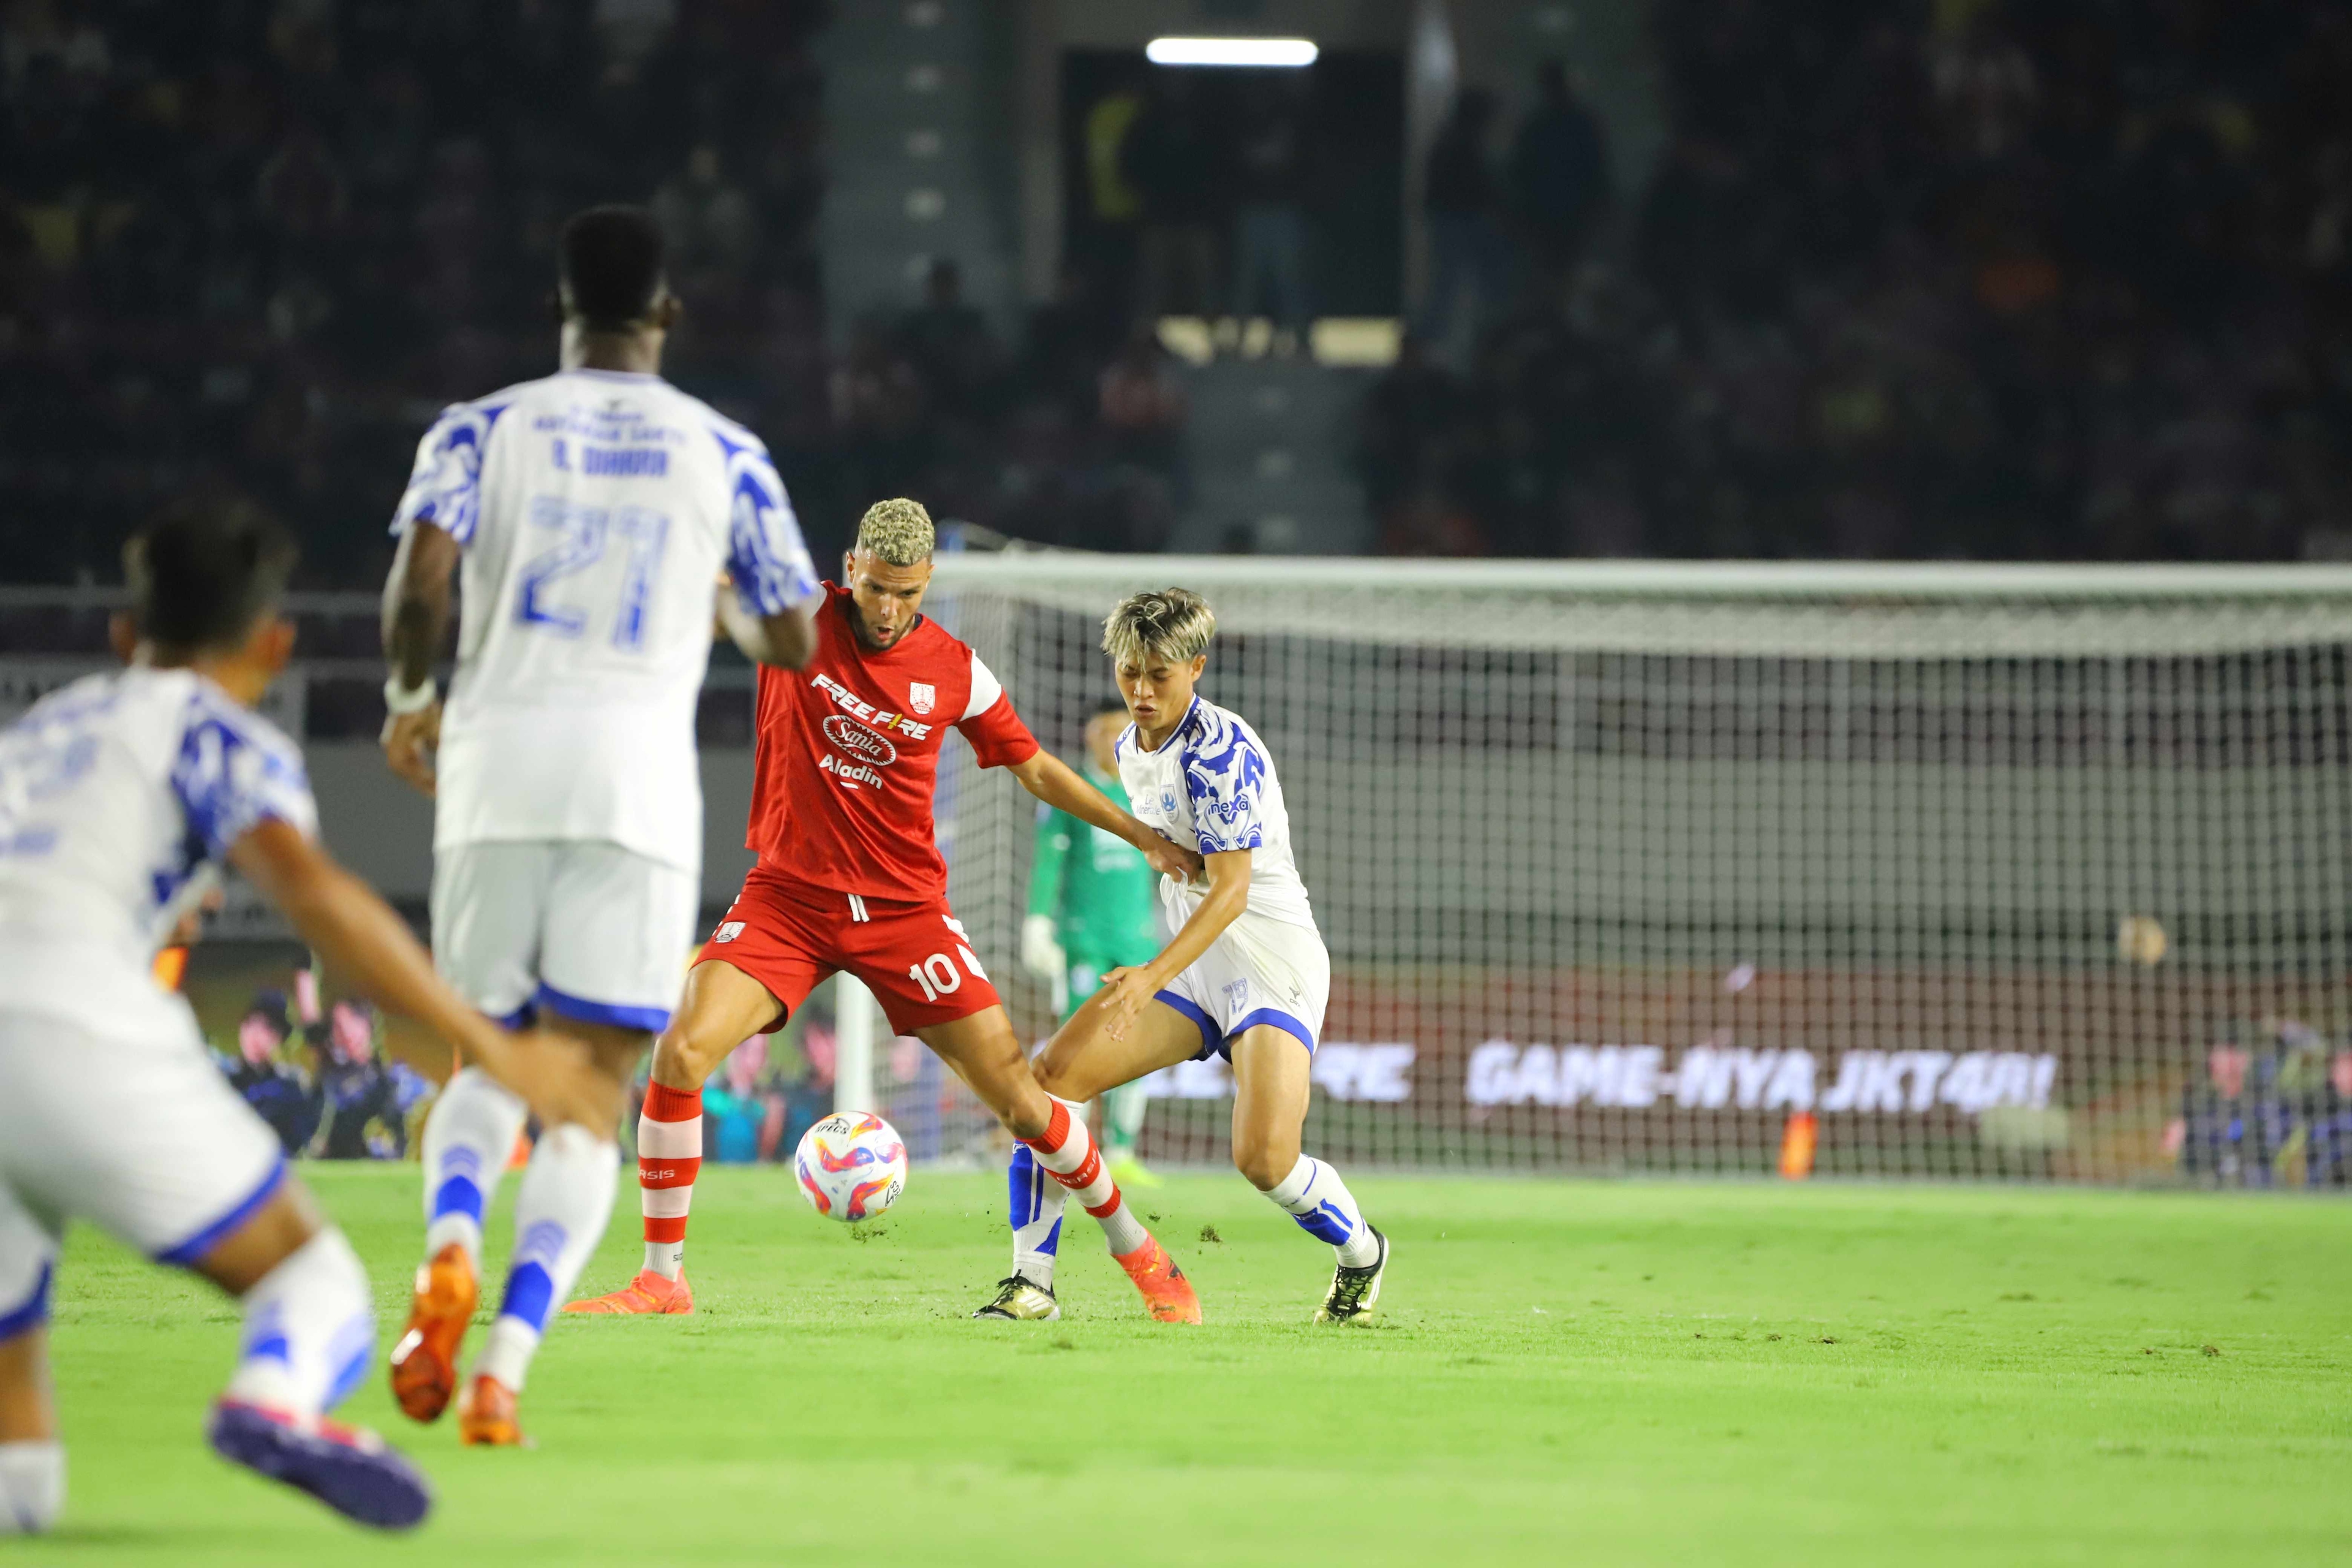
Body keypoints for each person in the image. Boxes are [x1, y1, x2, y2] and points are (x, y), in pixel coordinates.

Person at [0, 502, 600, 1536]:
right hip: (74, 1021)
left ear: (124, 633)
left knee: (22, 1438)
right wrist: (496, 1046)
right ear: (274, 646)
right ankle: (271, 1401)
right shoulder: (218, 734)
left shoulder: (40, 730)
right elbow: (316, 896)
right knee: (314, 1287)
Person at [378, 205, 822, 1446]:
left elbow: (421, 582)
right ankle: (504, 1371)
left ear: (560, 313)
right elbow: (795, 634)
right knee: (590, 1092)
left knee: (487, 1058)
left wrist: (410, 702)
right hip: (634, 790)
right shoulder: (725, 451)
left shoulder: (479, 426)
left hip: (494, 771)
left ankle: (451, 1242)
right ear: (667, 313)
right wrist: (726, 611)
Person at [564, 498, 1208, 1324]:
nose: (888, 609)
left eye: (907, 593)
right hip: (788, 900)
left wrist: (1141, 833)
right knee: (681, 1051)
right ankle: (663, 1280)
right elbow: (703, 597)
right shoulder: (796, 615)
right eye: (875, 589)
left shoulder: (957, 670)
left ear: (927, 581)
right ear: (851, 570)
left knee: (1021, 1100)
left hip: (906, 915)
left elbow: (1036, 767)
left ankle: (1138, 1250)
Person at [983, 589, 1389, 1325]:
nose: (1140, 690)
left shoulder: (1221, 754)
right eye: (1129, 671)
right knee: (1049, 1082)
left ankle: (1361, 1253)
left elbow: (1232, 892)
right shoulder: (1128, 747)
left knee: (1265, 1160)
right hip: (1193, 968)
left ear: (1196, 668)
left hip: (1269, 963)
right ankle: (1030, 1282)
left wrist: (1151, 972)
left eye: (1159, 675)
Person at [1020, 697, 1166, 1187]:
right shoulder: (1071, 790)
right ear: (1090, 736)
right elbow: (1048, 860)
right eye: (1106, 731)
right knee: (1077, 1041)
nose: (1115, 742)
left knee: (1136, 1043)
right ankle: (1066, 1148)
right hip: (1083, 939)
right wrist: (1038, 921)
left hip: (1137, 940)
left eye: (1123, 732)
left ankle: (1122, 1150)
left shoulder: (1148, 794)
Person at [314, 1000, 428, 1160]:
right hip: (347, 1160)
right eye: (338, 1027)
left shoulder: (393, 1074)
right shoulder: (332, 1077)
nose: (346, 1033)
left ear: (366, 1025)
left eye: (351, 1024)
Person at [221, 986, 324, 1157]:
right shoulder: (224, 1077)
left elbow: (301, 1137)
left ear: (278, 1038)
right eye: (250, 1024)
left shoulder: (290, 1086)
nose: (255, 1034)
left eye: (267, 1028)